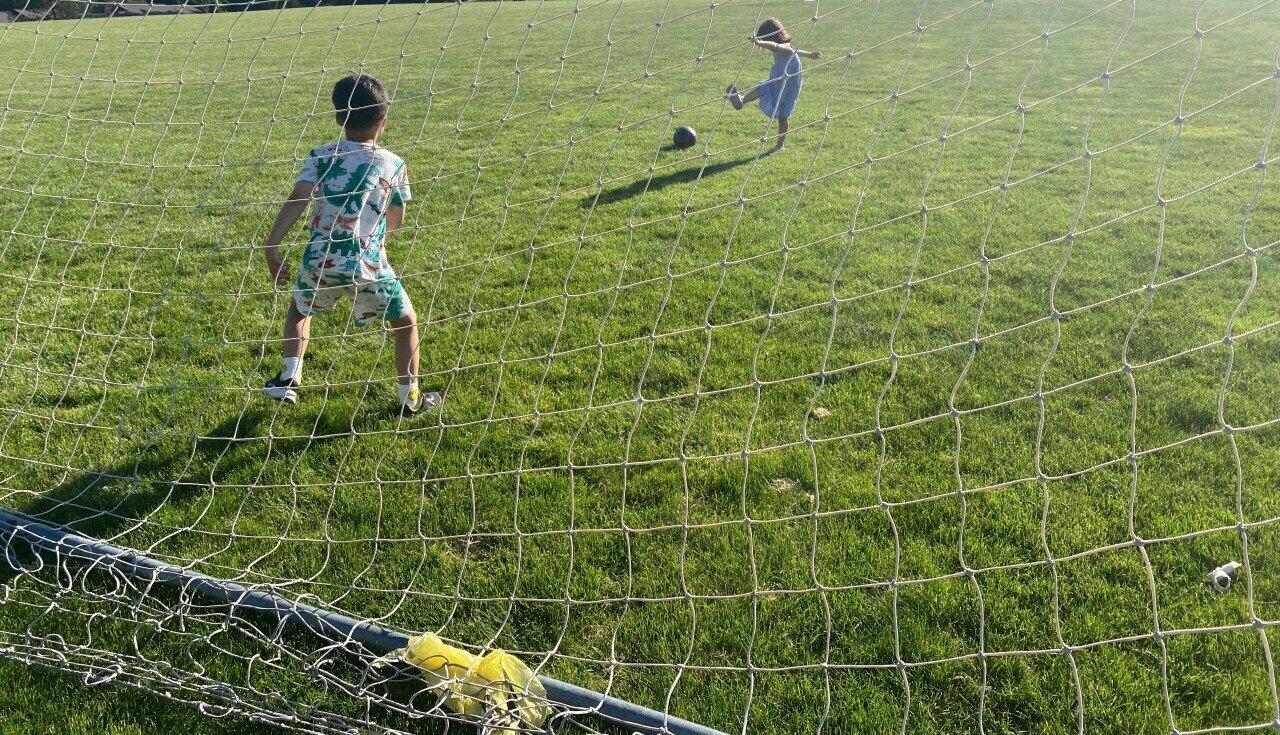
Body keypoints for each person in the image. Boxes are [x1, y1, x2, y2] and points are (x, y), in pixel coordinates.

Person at [261, 73, 438, 415]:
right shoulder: (394, 163)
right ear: (383, 121)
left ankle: (288, 380)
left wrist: (272, 245)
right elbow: (397, 217)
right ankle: (410, 398)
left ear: (339, 118)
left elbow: (298, 198)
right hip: (367, 262)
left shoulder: (320, 156)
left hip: (319, 260)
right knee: (406, 323)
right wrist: (379, 236)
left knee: (300, 310)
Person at [725, 18, 822, 153]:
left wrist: (759, 42)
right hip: (779, 78)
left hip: (788, 84)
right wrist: (810, 54)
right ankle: (741, 100)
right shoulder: (788, 47)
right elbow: (796, 52)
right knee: (763, 88)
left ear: (772, 36)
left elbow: (776, 47)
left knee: (783, 116)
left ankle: (780, 145)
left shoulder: (785, 47)